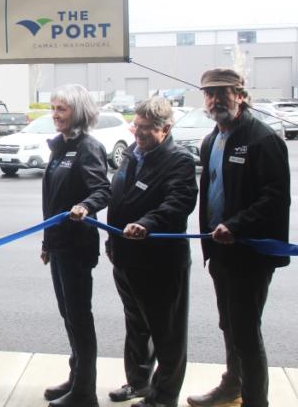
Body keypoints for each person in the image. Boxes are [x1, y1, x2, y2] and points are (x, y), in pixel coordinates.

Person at [187, 69, 290, 407]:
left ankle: (256, 401)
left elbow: (275, 197)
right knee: (229, 325)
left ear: (241, 95)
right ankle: (232, 386)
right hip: (220, 252)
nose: (216, 99)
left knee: (246, 331)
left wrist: (237, 225)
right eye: (209, 93)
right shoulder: (211, 139)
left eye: (223, 92)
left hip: (250, 254)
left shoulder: (262, 138)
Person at [106, 97, 198, 407]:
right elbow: (119, 197)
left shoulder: (179, 160)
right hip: (126, 260)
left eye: (145, 129)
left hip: (161, 264)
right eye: (136, 126)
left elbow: (178, 202)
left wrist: (146, 223)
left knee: (167, 333)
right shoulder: (133, 153)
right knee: (136, 327)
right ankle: (138, 383)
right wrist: (112, 242)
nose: (137, 133)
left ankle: (164, 397)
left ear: (166, 128)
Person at [41, 84, 110, 407]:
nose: (55, 115)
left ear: (78, 112)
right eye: (53, 108)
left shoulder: (88, 147)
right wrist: (46, 242)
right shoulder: (60, 147)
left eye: (61, 109)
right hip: (58, 245)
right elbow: (51, 200)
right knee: (68, 315)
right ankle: (76, 378)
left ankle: (85, 392)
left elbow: (102, 190)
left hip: (77, 246)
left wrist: (85, 205)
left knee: (80, 317)